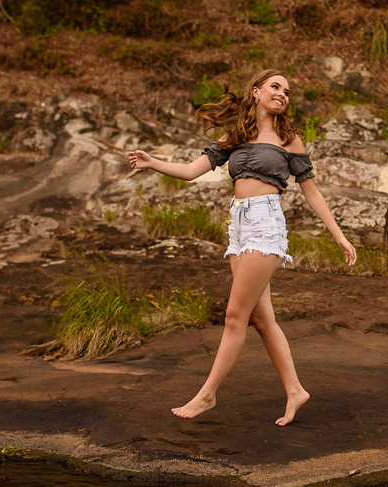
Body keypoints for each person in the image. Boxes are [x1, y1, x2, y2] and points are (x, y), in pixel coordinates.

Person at [127, 69, 356, 426]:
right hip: (238, 226)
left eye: (287, 91)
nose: (282, 94)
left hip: (265, 225)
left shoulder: (289, 139)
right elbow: (191, 171)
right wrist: (151, 162)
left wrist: (339, 235)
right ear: (257, 91)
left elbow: (312, 192)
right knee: (262, 320)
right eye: (276, 87)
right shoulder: (235, 134)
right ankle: (295, 391)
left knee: (235, 316)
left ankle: (207, 395)